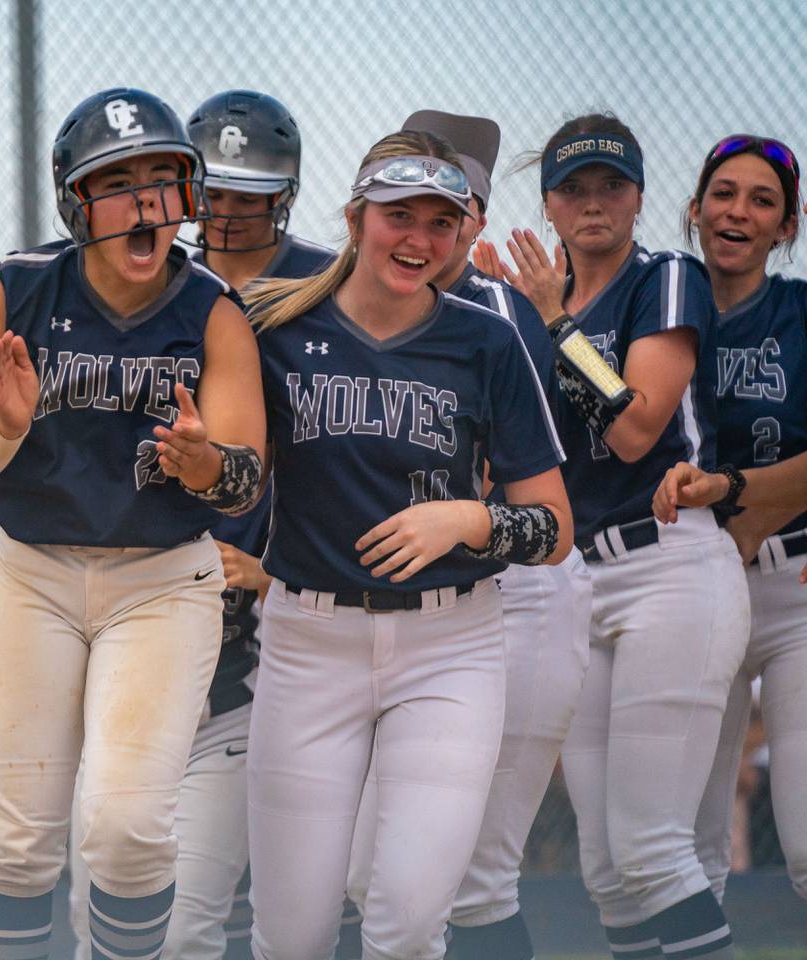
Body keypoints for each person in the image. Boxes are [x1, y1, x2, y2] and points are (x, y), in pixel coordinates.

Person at [0, 87, 265, 960]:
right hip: (31, 575)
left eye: (165, 176)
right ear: (74, 201)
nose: (146, 201)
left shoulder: (213, 312)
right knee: (16, 842)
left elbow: (244, 481)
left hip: (162, 579)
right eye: (118, 181)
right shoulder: (13, 289)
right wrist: (7, 426)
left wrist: (203, 461)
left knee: (125, 830)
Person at [243, 130, 572, 960]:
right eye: (399, 216)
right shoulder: (273, 325)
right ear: (357, 218)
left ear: (464, 233)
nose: (419, 240)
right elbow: (236, 474)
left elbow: (555, 529)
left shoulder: (486, 341)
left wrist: (468, 520)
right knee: (292, 936)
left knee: (409, 918)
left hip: (449, 645)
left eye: (441, 221)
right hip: (308, 643)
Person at [63, 88, 329, 960]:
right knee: (103, 906)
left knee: (282, 902)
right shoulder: (138, 290)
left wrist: (281, 567)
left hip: (266, 635)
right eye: (218, 194)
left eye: (255, 196)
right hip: (128, 609)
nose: (233, 214)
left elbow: (345, 471)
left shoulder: (325, 295)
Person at [477, 114, 749, 960]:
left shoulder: (664, 274)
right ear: (549, 206)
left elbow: (635, 429)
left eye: (611, 186)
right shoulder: (527, 305)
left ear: (638, 197)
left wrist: (554, 321)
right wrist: (508, 314)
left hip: (671, 567)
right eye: (573, 188)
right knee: (607, 867)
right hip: (580, 579)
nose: (593, 203)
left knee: (651, 848)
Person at [337, 110, 594, 960]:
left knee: (474, 878)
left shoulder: (493, 312)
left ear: (474, 222)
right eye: (407, 206)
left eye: (454, 210)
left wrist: (555, 316)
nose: (433, 231)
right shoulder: (359, 311)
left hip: (520, 590)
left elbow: (501, 485)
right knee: (368, 873)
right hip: (427, 604)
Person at [647, 134, 807, 906]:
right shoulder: (654, 309)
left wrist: (738, 492)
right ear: (695, 210)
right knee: (686, 845)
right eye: (723, 194)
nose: (737, 210)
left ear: (788, 227)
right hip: (686, 587)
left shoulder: (802, 314)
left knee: (806, 844)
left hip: (793, 591)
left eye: (762, 200)